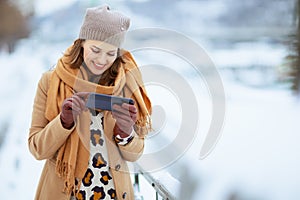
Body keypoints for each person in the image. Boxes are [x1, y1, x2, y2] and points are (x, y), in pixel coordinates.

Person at [28, 5, 152, 200]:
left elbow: (135, 155)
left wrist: (126, 133)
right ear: (82, 42)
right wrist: (63, 122)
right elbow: (37, 149)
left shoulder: (126, 84)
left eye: (111, 54)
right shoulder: (51, 81)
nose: (102, 60)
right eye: (96, 50)